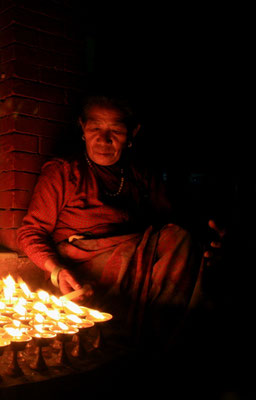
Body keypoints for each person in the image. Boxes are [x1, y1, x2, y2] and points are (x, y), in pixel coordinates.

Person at [16, 94, 224, 349]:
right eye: (95, 129)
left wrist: (208, 241)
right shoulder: (64, 172)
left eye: (115, 130)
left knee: (183, 242)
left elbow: (169, 223)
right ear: (82, 128)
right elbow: (30, 232)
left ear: (133, 133)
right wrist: (58, 271)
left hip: (139, 260)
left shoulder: (140, 174)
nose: (104, 140)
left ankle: (158, 344)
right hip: (85, 268)